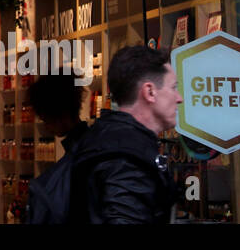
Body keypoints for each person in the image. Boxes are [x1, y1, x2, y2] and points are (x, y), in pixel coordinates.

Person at [69, 45, 182, 224]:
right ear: (150, 92)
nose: (179, 98)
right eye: (173, 87)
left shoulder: (116, 142)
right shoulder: (125, 158)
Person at [24, 73, 88, 224]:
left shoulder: (75, 158)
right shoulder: (91, 143)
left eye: (46, 119)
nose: (45, 125)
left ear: (60, 113)